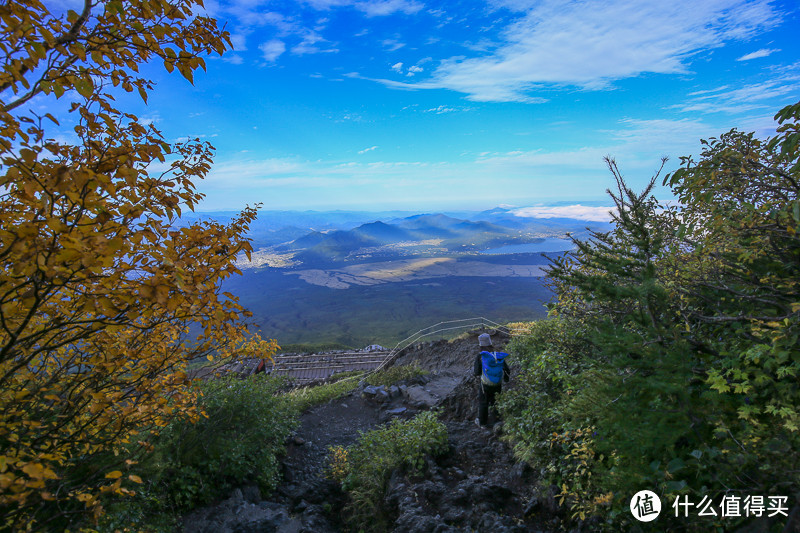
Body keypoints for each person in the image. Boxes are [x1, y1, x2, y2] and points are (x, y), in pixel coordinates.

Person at [473, 333, 510, 428]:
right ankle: (497, 421)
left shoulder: (480, 356)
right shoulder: (497, 355)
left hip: (485, 384)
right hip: (497, 384)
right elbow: (507, 369)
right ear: (490, 343)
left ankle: (483, 423)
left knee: (483, 402)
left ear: (480, 345)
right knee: (496, 401)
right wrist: (506, 379)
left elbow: (476, 372)